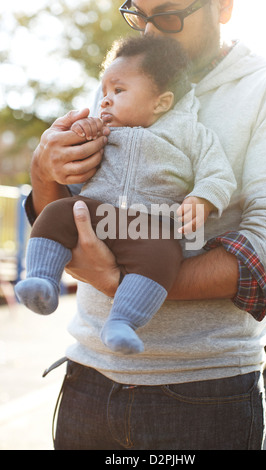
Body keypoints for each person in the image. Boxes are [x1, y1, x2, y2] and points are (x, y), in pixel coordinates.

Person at [24, 0, 266, 450]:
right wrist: (43, 170)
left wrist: (125, 281)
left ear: (223, 7)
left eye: (169, 14)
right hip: (86, 376)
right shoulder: (123, 79)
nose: (151, 34)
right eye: (138, 14)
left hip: (204, 392)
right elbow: (74, 209)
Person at [15, 36, 236, 355]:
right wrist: (72, 150)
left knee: (166, 255)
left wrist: (202, 199)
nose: (105, 100)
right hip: (97, 217)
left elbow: (218, 172)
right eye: (104, 92)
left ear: (161, 102)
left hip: (149, 228)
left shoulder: (190, 133)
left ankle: (122, 322)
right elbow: (73, 179)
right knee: (56, 212)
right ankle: (41, 280)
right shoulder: (99, 133)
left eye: (118, 91)